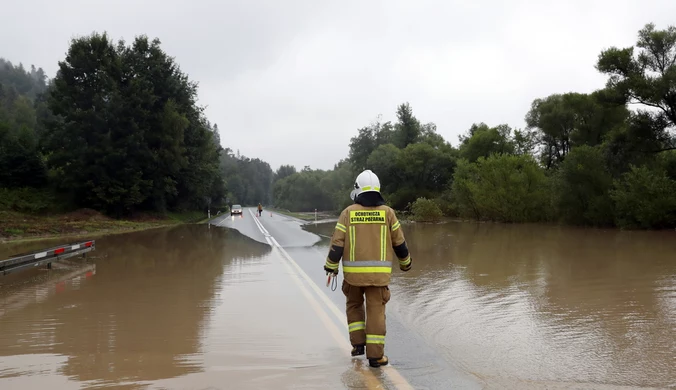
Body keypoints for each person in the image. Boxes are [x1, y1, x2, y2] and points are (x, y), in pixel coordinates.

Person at [323, 169, 413, 368]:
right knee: (376, 312)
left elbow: (337, 243)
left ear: (357, 190)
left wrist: (331, 267)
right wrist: (406, 263)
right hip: (378, 278)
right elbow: (400, 243)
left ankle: (358, 346)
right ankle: (376, 356)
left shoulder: (347, 213)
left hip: (352, 278)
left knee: (354, 307)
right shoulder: (388, 213)